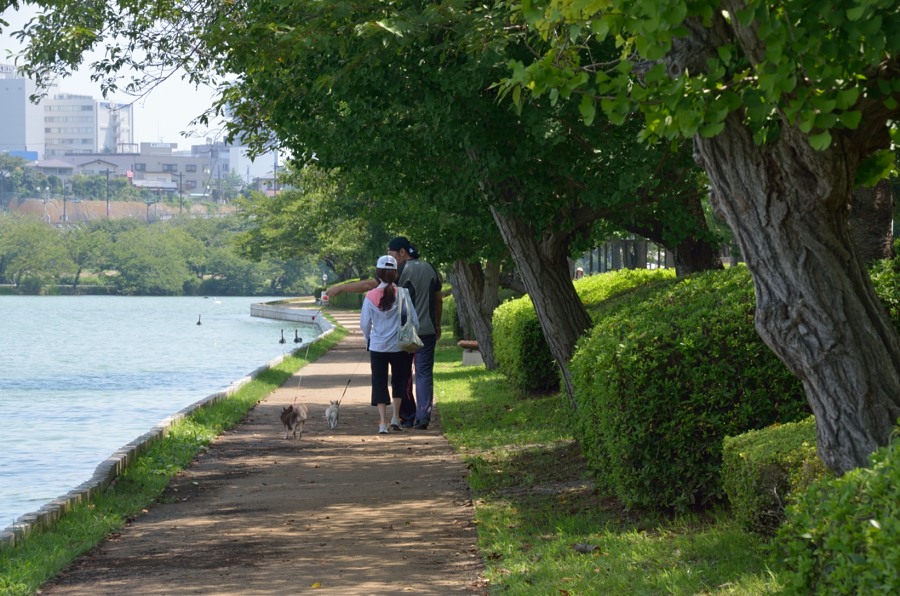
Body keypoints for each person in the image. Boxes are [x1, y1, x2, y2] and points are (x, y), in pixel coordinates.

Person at [327, 236, 443, 429]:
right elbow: (438, 299)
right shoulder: (430, 268)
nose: (389, 258)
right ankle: (423, 417)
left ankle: (407, 415)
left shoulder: (399, 271)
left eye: (391, 254)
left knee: (404, 376)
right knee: (423, 373)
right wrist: (438, 324)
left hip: (404, 333)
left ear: (402, 253)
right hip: (428, 330)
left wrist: (340, 288)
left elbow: (369, 286)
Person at [359, 255, 418, 434]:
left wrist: (368, 337)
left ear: (378, 273)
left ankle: (383, 423)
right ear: (395, 274)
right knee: (399, 381)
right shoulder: (403, 294)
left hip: (377, 347)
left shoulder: (369, 296)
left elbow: (364, 324)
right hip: (399, 347)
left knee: (379, 382)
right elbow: (414, 321)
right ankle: (396, 418)